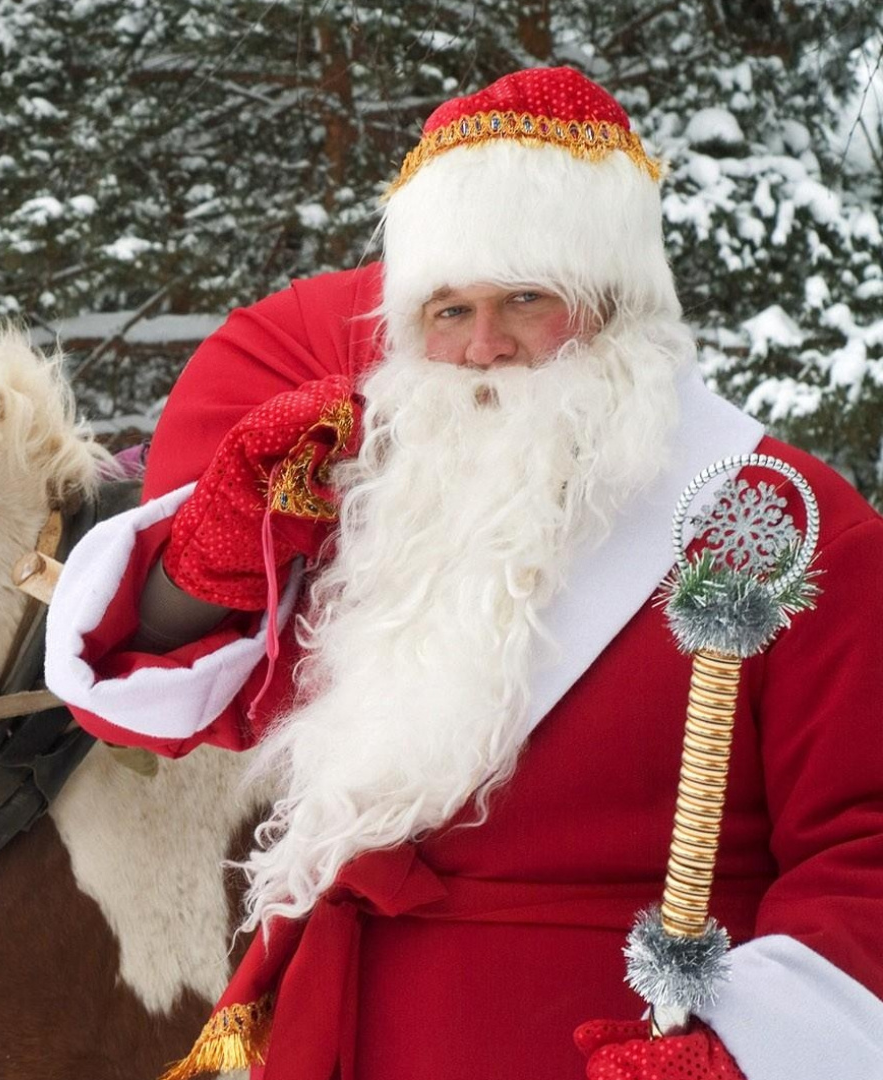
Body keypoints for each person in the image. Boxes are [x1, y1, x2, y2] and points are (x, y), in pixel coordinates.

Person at [44, 67, 883, 1080]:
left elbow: (866, 848)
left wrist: (742, 1053)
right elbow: (156, 705)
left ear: (615, 304)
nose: (483, 348)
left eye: (526, 299)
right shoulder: (388, 506)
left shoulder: (779, 522)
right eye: (448, 311)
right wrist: (210, 557)